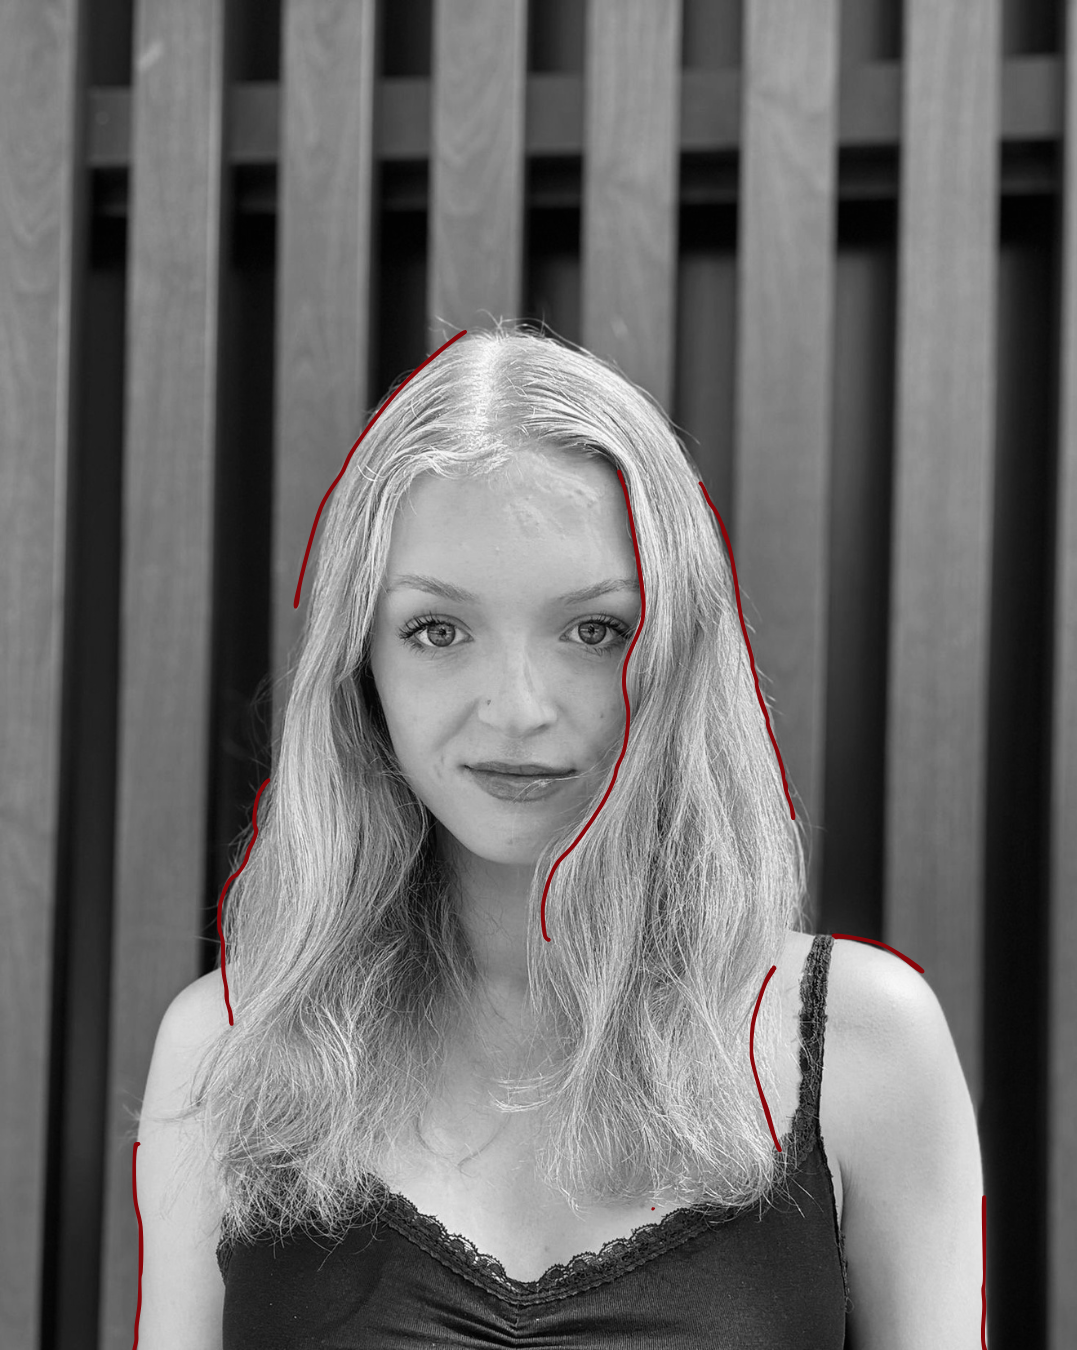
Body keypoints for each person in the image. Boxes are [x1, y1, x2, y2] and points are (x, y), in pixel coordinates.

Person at [135, 323, 984, 1347]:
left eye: (594, 631)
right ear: (360, 666)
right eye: (438, 630)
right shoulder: (226, 1053)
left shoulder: (864, 1044)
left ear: (678, 650)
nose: (518, 708)